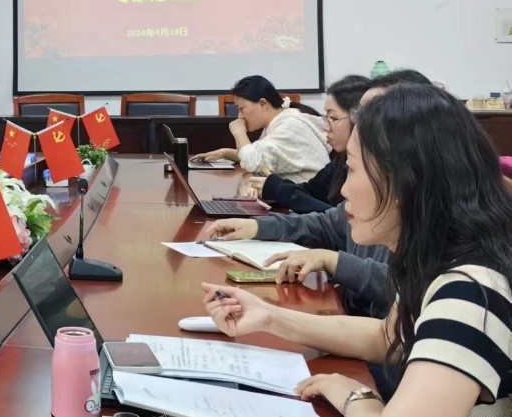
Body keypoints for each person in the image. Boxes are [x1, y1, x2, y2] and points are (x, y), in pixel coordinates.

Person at [203, 84, 512, 416]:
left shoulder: (468, 292)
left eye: (351, 168)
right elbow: (386, 338)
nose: (344, 190)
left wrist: (358, 397)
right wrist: (269, 317)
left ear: (403, 184)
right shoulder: (437, 257)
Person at [197, 70, 434, 318]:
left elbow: (404, 295)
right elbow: (325, 223)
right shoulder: (362, 185)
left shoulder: (430, 218)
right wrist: (255, 227)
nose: (359, 127)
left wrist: (334, 261)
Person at [240, 74, 371, 214]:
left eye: (333, 118)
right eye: (326, 117)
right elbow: (310, 191)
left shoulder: (370, 170)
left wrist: (278, 189)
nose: (326, 127)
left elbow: (338, 219)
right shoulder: (340, 161)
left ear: (360, 120)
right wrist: (271, 186)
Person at [191, 75, 329, 182]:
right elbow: (263, 157)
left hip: (307, 203)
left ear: (263, 103)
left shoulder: (289, 126)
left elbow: (252, 161)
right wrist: (226, 153)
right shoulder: (280, 120)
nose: (240, 116)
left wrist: (238, 132)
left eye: (241, 108)